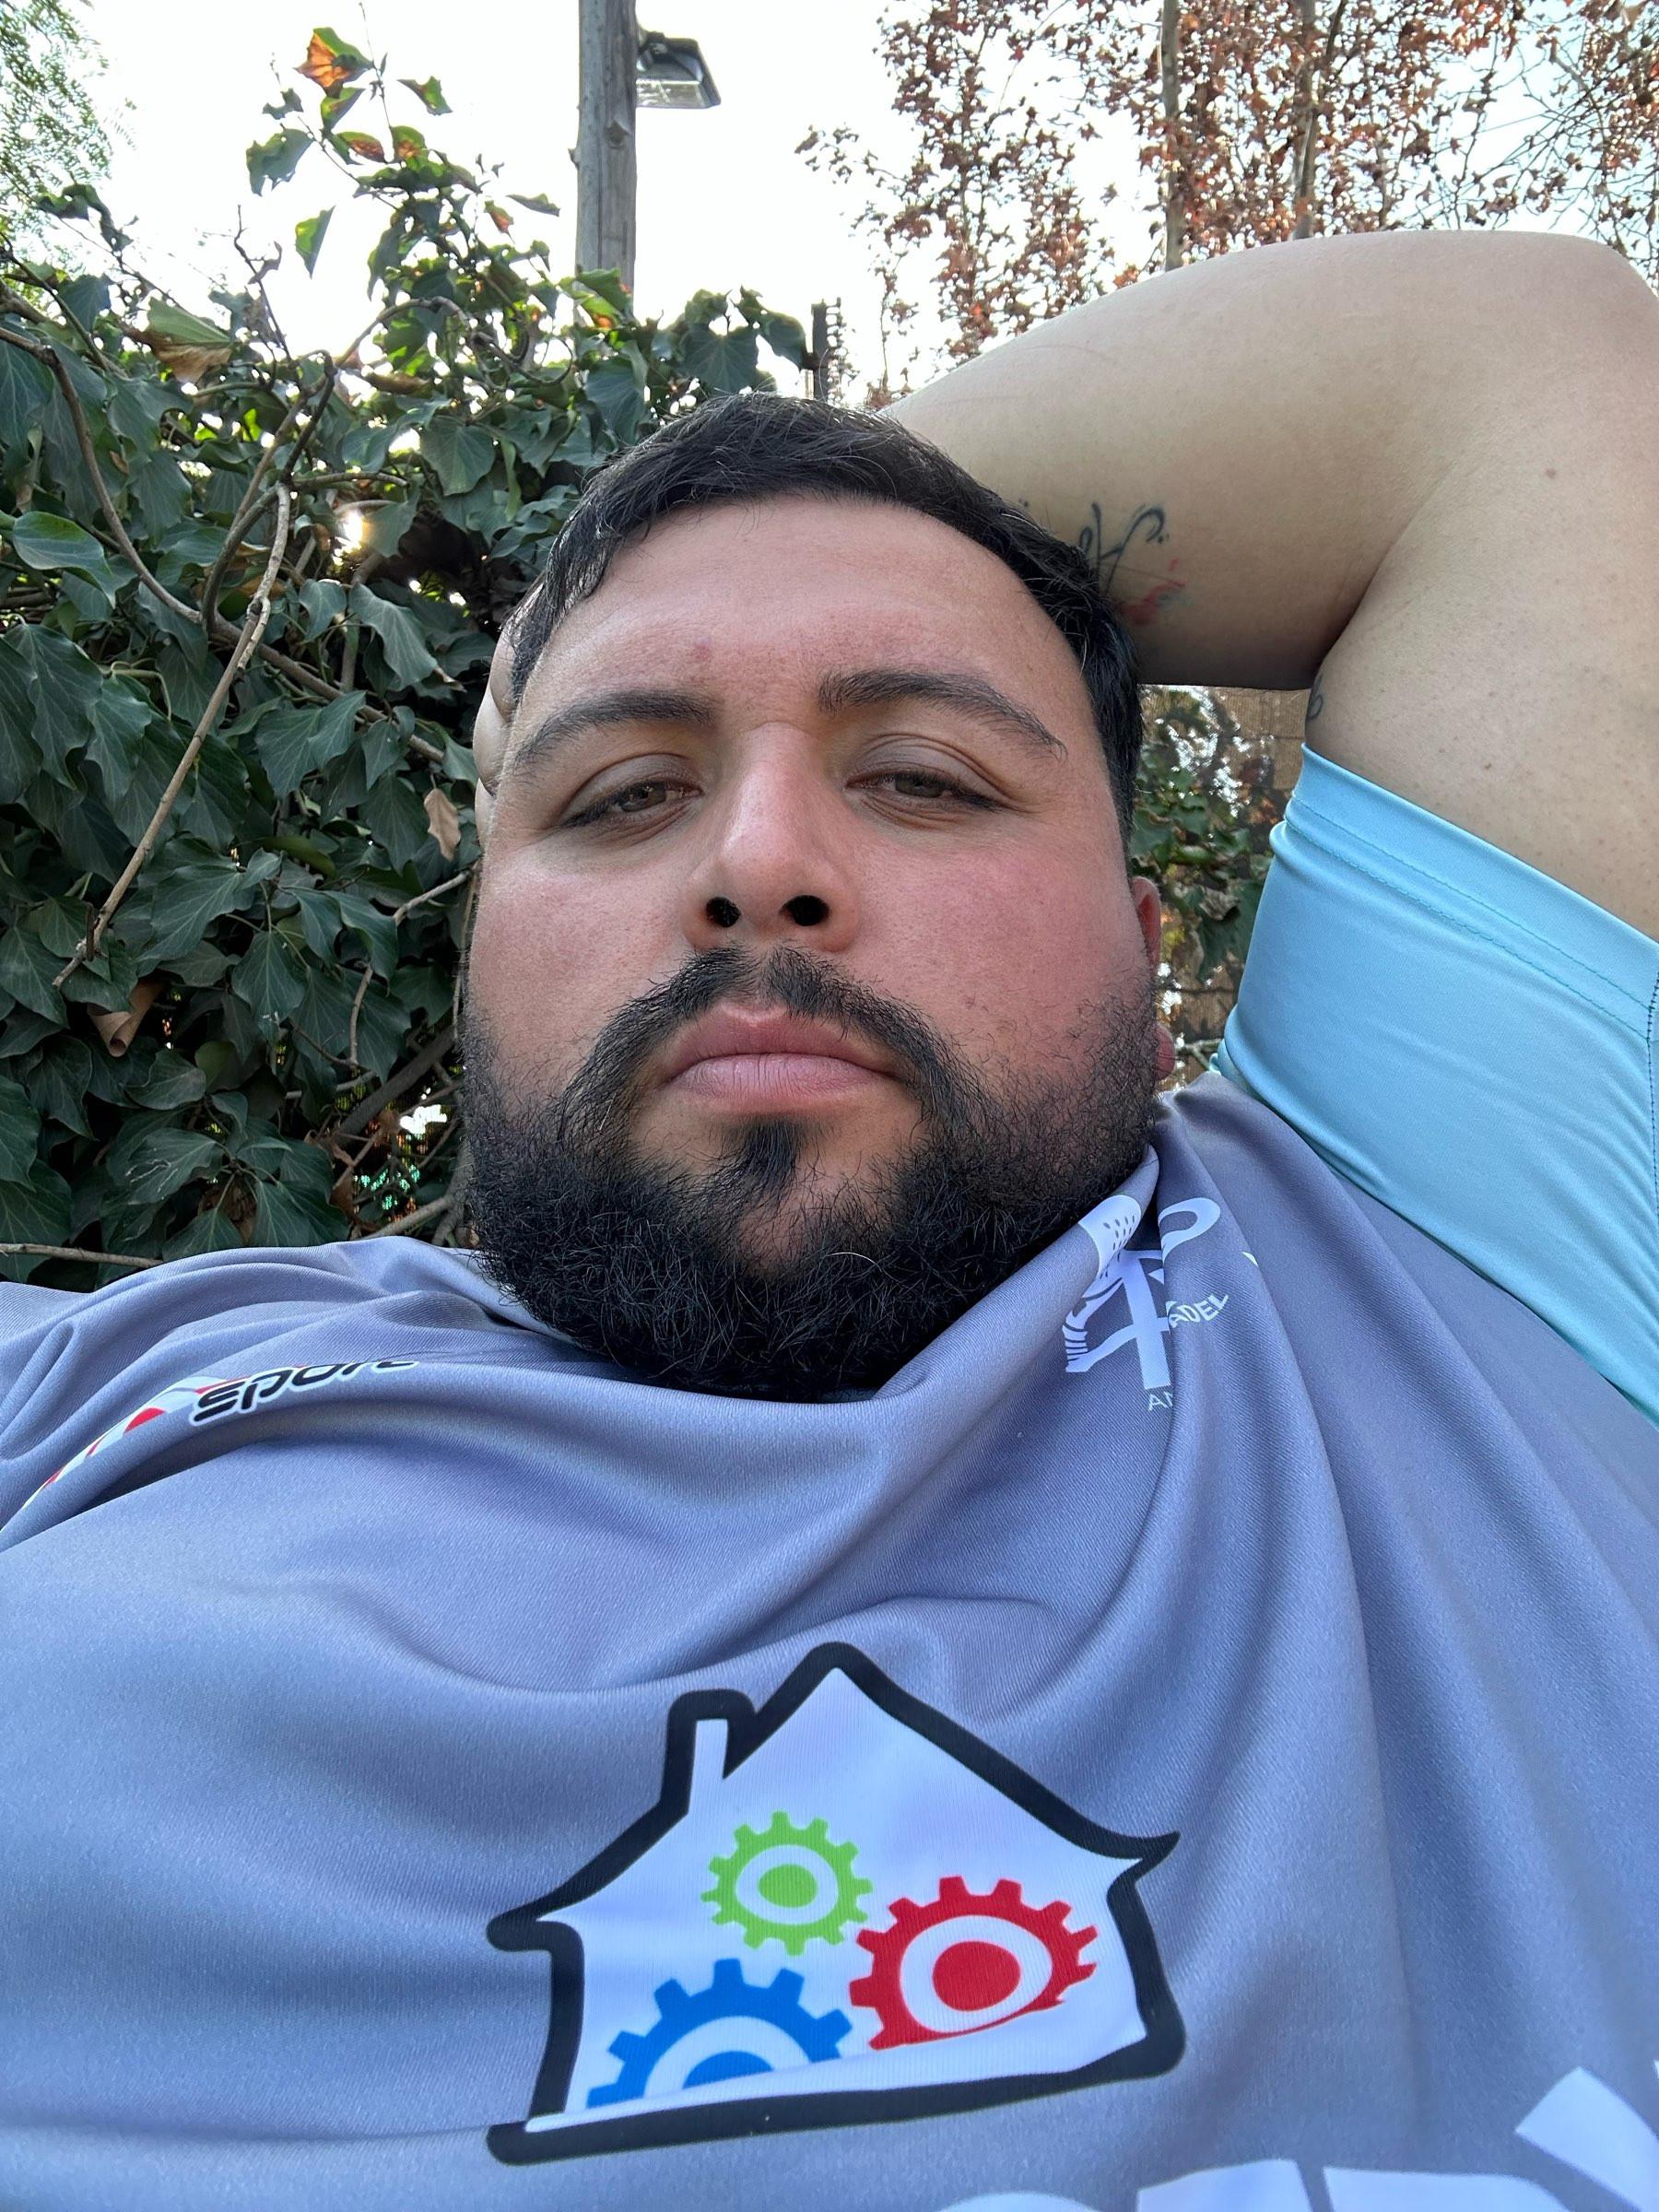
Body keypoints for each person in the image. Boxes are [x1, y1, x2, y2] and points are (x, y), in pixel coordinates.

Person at [2, 230, 1656, 2212]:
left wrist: (601, 611)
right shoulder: (106, 1384)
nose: (759, 859)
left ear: (1148, 954)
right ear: (477, 960)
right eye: (618, 796)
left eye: (925, 777)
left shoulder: (1439, 1275)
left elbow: (1514, 376)